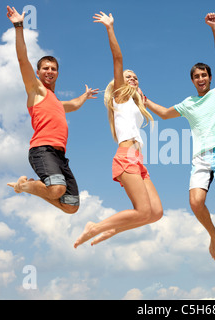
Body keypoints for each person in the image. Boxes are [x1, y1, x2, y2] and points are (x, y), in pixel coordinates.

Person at [145, 13, 215, 261]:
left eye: (204, 75)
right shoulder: (189, 103)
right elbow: (166, 114)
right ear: (192, 80)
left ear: (210, 78)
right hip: (200, 158)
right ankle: (214, 233)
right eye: (196, 76)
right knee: (196, 203)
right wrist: (144, 100)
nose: (201, 79)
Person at [74, 12, 163, 248]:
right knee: (142, 210)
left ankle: (111, 230)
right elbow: (118, 58)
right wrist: (110, 28)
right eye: (128, 76)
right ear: (119, 82)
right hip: (125, 159)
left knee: (155, 213)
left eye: (135, 77)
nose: (133, 78)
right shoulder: (119, 97)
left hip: (138, 160)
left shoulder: (134, 104)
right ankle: (95, 226)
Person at [6, 6, 98, 214]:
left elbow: (72, 106)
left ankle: (28, 187)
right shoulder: (36, 90)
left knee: (71, 205)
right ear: (38, 73)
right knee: (57, 189)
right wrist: (19, 26)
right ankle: (26, 186)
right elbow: (22, 59)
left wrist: (84, 96)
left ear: (58, 73)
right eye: (45, 68)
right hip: (42, 150)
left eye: (53, 68)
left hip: (60, 155)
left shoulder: (56, 101)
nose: (49, 71)